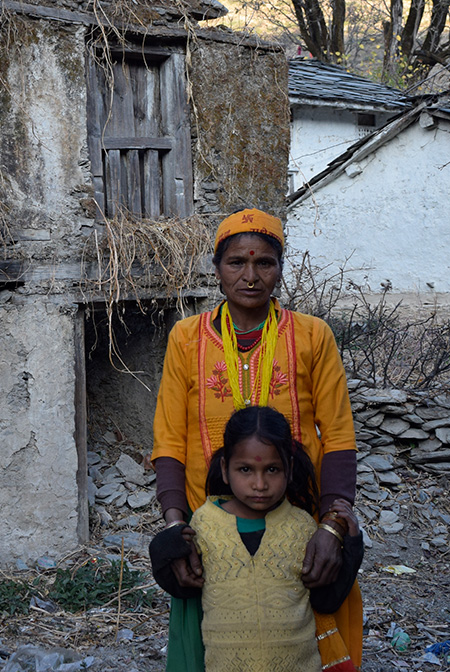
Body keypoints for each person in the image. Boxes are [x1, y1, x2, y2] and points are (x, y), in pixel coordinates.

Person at [150, 207, 363, 671]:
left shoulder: (312, 336)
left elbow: (340, 434)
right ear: (216, 269)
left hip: (300, 525)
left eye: (264, 263)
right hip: (210, 533)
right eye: (236, 263)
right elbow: (168, 437)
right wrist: (174, 528)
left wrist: (331, 526)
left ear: (280, 270)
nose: (251, 276)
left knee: (306, 643)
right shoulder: (186, 339)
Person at [181, 406, 361, 672]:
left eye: (272, 470)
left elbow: (326, 601)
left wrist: (353, 544)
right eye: (245, 469)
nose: (260, 484)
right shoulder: (204, 524)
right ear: (224, 469)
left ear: (288, 469)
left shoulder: (301, 527)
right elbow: (183, 592)